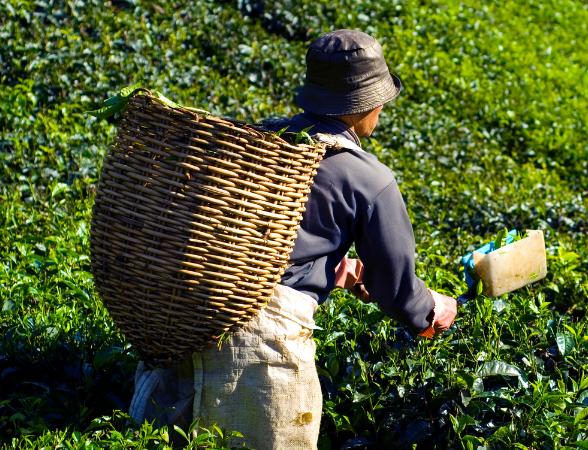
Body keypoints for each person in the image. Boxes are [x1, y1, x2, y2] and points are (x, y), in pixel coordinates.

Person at [130, 29, 458, 450]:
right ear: (366, 104)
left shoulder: (264, 138)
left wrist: (329, 270)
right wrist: (431, 309)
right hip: (258, 353)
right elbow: (398, 291)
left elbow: (263, 242)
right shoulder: (368, 177)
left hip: (186, 320)